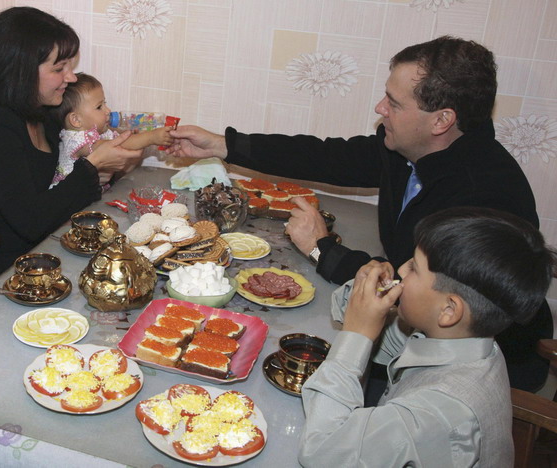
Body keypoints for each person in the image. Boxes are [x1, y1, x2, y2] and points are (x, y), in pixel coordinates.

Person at [165, 36, 553, 392]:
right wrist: (224, 144)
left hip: (463, 371)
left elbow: (418, 296)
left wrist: (323, 249)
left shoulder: (483, 195)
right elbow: (329, 156)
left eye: (394, 103)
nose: (380, 108)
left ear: (441, 120)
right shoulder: (411, 149)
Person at [298, 207, 555, 467]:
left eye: (414, 268)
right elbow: (359, 317)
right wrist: (366, 288)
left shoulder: (438, 415)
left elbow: (321, 452)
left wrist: (356, 334)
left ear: (449, 310)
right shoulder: (465, 340)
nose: (400, 269)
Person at [0, 7, 142, 288]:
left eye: (69, 66)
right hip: (5, 266)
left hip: (50, 242)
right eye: (59, 69)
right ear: (19, 73)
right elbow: (31, 220)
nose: (71, 78)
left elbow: (63, 179)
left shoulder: (41, 111)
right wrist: (92, 167)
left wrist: (107, 166)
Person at [49, 72, 173, 189]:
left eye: (105, 103)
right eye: (99, 107)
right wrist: (151, 137)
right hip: (71, 203)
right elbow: (119, 145)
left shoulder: (100, 133)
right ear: (76, 120)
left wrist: (136, 137)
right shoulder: (75, 140)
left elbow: (123, 153)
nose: (107, 110)